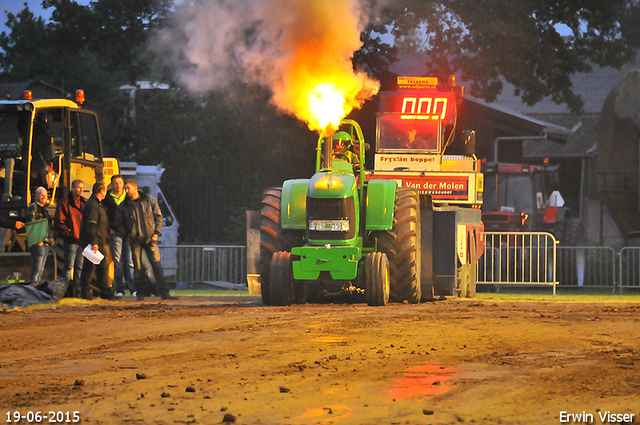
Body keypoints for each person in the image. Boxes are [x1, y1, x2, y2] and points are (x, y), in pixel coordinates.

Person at [115, 179, 177, 301]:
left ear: (135, 188)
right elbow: (118, 223)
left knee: (157, 266)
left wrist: (156, 233)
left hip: (150, 238)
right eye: (125, 188)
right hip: (135, 240)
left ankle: (164, 293)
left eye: (128, 188)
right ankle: (140, 294)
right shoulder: (123, 205)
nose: (126, 191)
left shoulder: (150, 200)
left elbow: (158, 216)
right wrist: (127, 235)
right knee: (137, 268)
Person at [79, 182, 118, 300]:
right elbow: (91, 224)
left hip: (98, 240)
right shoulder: (93, 205)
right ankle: (86, 292)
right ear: (101, 191)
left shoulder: (96, 204)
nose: (106, 193)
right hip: (94, 241)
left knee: (100, 268)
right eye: (105, 191)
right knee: (90, 268)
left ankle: (105, 293)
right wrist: (94, 242)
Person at [103, 175, 135, 297]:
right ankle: (120, 289)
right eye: (116, 183)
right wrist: (109, 228)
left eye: (120, 183)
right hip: (115, 233)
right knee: (118, 263)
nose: (118, 185)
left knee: (129, 262)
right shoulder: (107, 199)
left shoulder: (128, 198)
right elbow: (104, 216)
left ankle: (133, 289)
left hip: (128, 234)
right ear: (111, 184)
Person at [54, 179, 85, 297]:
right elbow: (59, 222)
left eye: (82, 188)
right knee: (68, 266)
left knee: (80, 267)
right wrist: (69, 235)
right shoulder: (64, 203)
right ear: (72, 188)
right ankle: (66, 291)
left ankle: (77, 291)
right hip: (71, 241)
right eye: (78, 187)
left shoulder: (85, 203)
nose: (80, 190)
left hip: (81, 241)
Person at [26, 187, 53, 282]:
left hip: (45, 243)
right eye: (42, 195)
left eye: (45, 195)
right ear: (36, 195)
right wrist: (38, 241)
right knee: (36, 270)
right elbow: (31, 225)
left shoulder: (44, 209)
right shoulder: (33, 208)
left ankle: (36, 290)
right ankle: (33, 290)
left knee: (40, 270)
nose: (44, 197)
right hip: (38, 244)